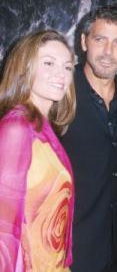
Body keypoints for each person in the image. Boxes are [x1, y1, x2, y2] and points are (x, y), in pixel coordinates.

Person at [61, 6, 117, 272]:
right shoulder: (59, 94)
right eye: (100, 39)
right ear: (84, 42)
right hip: (69, 247)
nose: (108, 52)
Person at [0, 30, 76, 272]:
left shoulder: (42, 127)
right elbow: (3, 227)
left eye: (67, 67)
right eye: (48, 63)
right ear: (25, 67)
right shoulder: (16, 127)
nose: (60, 74)